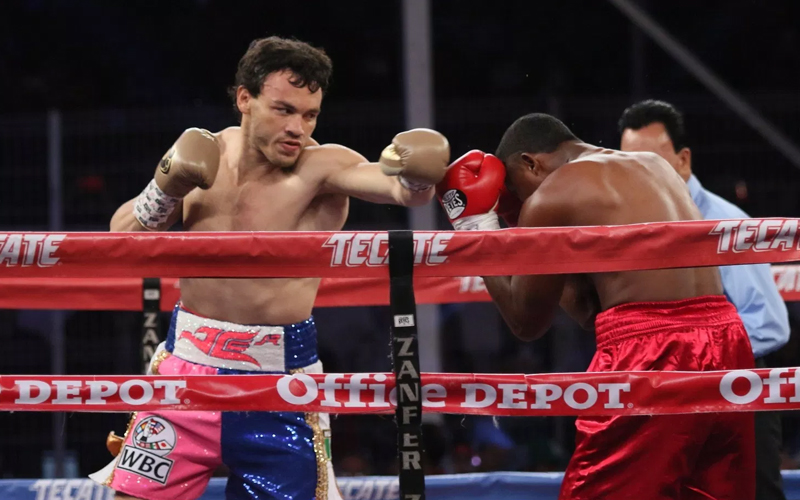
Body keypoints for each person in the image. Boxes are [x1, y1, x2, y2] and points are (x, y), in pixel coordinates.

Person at [90, 36, 450, 500]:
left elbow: (399, 191)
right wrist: (167, 188)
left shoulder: (322, 168)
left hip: (280, 386)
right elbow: (121, 236)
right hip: (184, 372)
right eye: (283, 110)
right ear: (245, 98)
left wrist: (417, 176)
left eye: (310, 115)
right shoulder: (205, 154)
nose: (297, 128)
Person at [436, 113, 755, 500]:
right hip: (727, 338)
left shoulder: (552, 195)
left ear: (531, 163)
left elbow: (525, 322)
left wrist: (477, 226)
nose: (523, 202)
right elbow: (590, 312)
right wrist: (521, 221)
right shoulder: (655, 166)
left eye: (516, 189)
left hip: (651, 350)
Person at [619, 99, 791, 500]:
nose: (638, 176)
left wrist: (690, 356)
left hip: (737, 391)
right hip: (666, 395)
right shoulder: (631, 230)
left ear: (683, 160)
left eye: (650, 163)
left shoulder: (726, 223)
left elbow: (769, 324)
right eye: (628, 165)